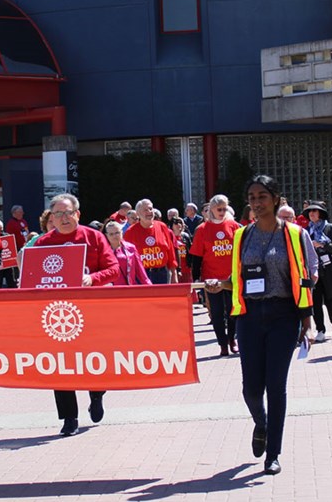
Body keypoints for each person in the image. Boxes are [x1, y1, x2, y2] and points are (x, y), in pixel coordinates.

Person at [205, 175, 318, 476]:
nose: (256, 202)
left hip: (284, 315)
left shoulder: (294, 234)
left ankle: (273, 454)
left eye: (262, 196)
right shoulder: (243, 236)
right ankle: (261, 423)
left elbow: (306, 279)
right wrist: (221, 285)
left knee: (275, 386)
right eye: (252, 197)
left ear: (276, 198)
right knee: (251, 389)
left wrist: (307, 321)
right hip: (250, 316)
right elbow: (237, 277)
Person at [34, 193, 120, 437]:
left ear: (77, 214)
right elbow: (32, 278)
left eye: (68, 213)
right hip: (57, 314)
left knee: (93, 358)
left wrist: (91, 279)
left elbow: (113, 269)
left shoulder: (93, 236)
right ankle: (69, 418)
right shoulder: (42, 243)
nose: (63, 218)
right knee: (60, 364)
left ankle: (97, 393)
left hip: (91, 308)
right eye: (58, 214)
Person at [189, 194, 243, 356]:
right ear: (211, 209)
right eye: (219, 209)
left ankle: (232, 339)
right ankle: (222, 344)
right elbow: (197, 256)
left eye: (224, 209)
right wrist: (197, 277)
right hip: (211, 277)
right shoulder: (202, 230)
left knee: (233, 310)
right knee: (217, 313)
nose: (222, 211)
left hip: (231, 277)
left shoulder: (234, 226)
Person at [304, 201, 332, 342]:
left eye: (314, 211)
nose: (311, 214)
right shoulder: (306, 230)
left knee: (331, 299)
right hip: (314, 270)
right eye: (309, 212)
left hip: (329, 269)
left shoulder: (329, 228)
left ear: (320, 213)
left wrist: (321, 244)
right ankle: (320, 329)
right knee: (315, 302)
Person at [124, 198, 178, 284]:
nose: (149, 212)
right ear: (138, 213)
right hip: (141, 275)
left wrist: (174, 273)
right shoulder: (130, 232)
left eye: (150, 209)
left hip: (162, 274)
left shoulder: (162, 226)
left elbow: (170, 251)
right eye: (145, 210)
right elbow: (126, 257)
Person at [103, 220, 151, 286]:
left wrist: (149, 287)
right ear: (106, 235)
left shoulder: (131, 248)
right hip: (110, 290)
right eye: (111, 234)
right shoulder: (102, 251)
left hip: (129, 289)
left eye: (117, 233)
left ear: (122, 232)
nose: (114, 236)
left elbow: (141, 272)